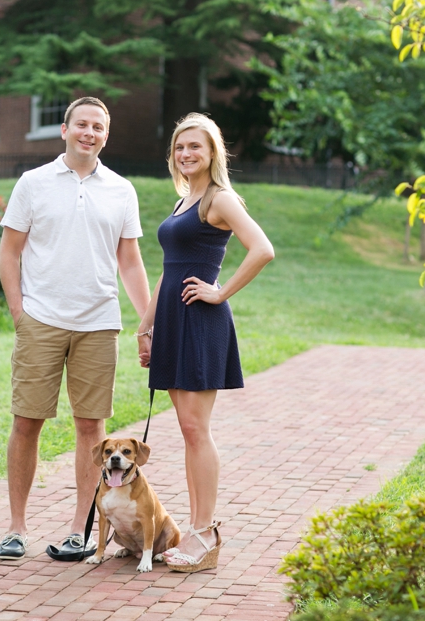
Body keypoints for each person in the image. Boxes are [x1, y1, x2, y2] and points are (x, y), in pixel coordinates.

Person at [0, 96, 151, 560]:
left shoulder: (121, 190)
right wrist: (20, 314)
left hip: (99, 324)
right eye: (81, 124)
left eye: (98, 127)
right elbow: (10, 251)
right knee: (27, 422)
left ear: (106, 135)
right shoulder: (33, 183)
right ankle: (16, 527)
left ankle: (80, 530)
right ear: (64, 130)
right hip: (41, 320)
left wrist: (148, 322)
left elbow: (130, 261)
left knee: (93, 429)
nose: (89, 132)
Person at [136, 113, 274, 572]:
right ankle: (198, 530)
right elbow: (169, 268)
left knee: (197, 431)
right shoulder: (183, 201)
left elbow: (262, 249)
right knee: (188, 431)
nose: (186, 154)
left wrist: (219, 291)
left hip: (200, 321)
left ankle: (204, 533)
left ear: (213, 152)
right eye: (180, 147)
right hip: (173, 321)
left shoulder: (220, 198)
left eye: (196, 146)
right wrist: (147, 324)